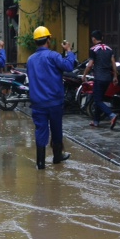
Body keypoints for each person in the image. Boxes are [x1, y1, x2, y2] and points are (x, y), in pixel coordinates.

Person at [26, 26, 75, 169]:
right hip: (54, 102)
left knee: (41, 130)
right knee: (56, 129)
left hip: (38, 103)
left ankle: (40, 162)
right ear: (48, 39)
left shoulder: (30, 60)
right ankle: (57, 156)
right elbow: (69, 66)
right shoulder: (53, 56)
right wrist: (69, 51)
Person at [81, 30, 119, 129]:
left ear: (93, 38)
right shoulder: (109, 49)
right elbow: (113, 64)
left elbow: (90, 65)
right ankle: (96, 121)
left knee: (97, 100)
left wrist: (84, 75)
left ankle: (111, 115)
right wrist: (115, 76)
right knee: (99, 99)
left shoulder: (93, 49)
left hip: (99, 78)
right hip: (107, 78)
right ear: (101, 38)